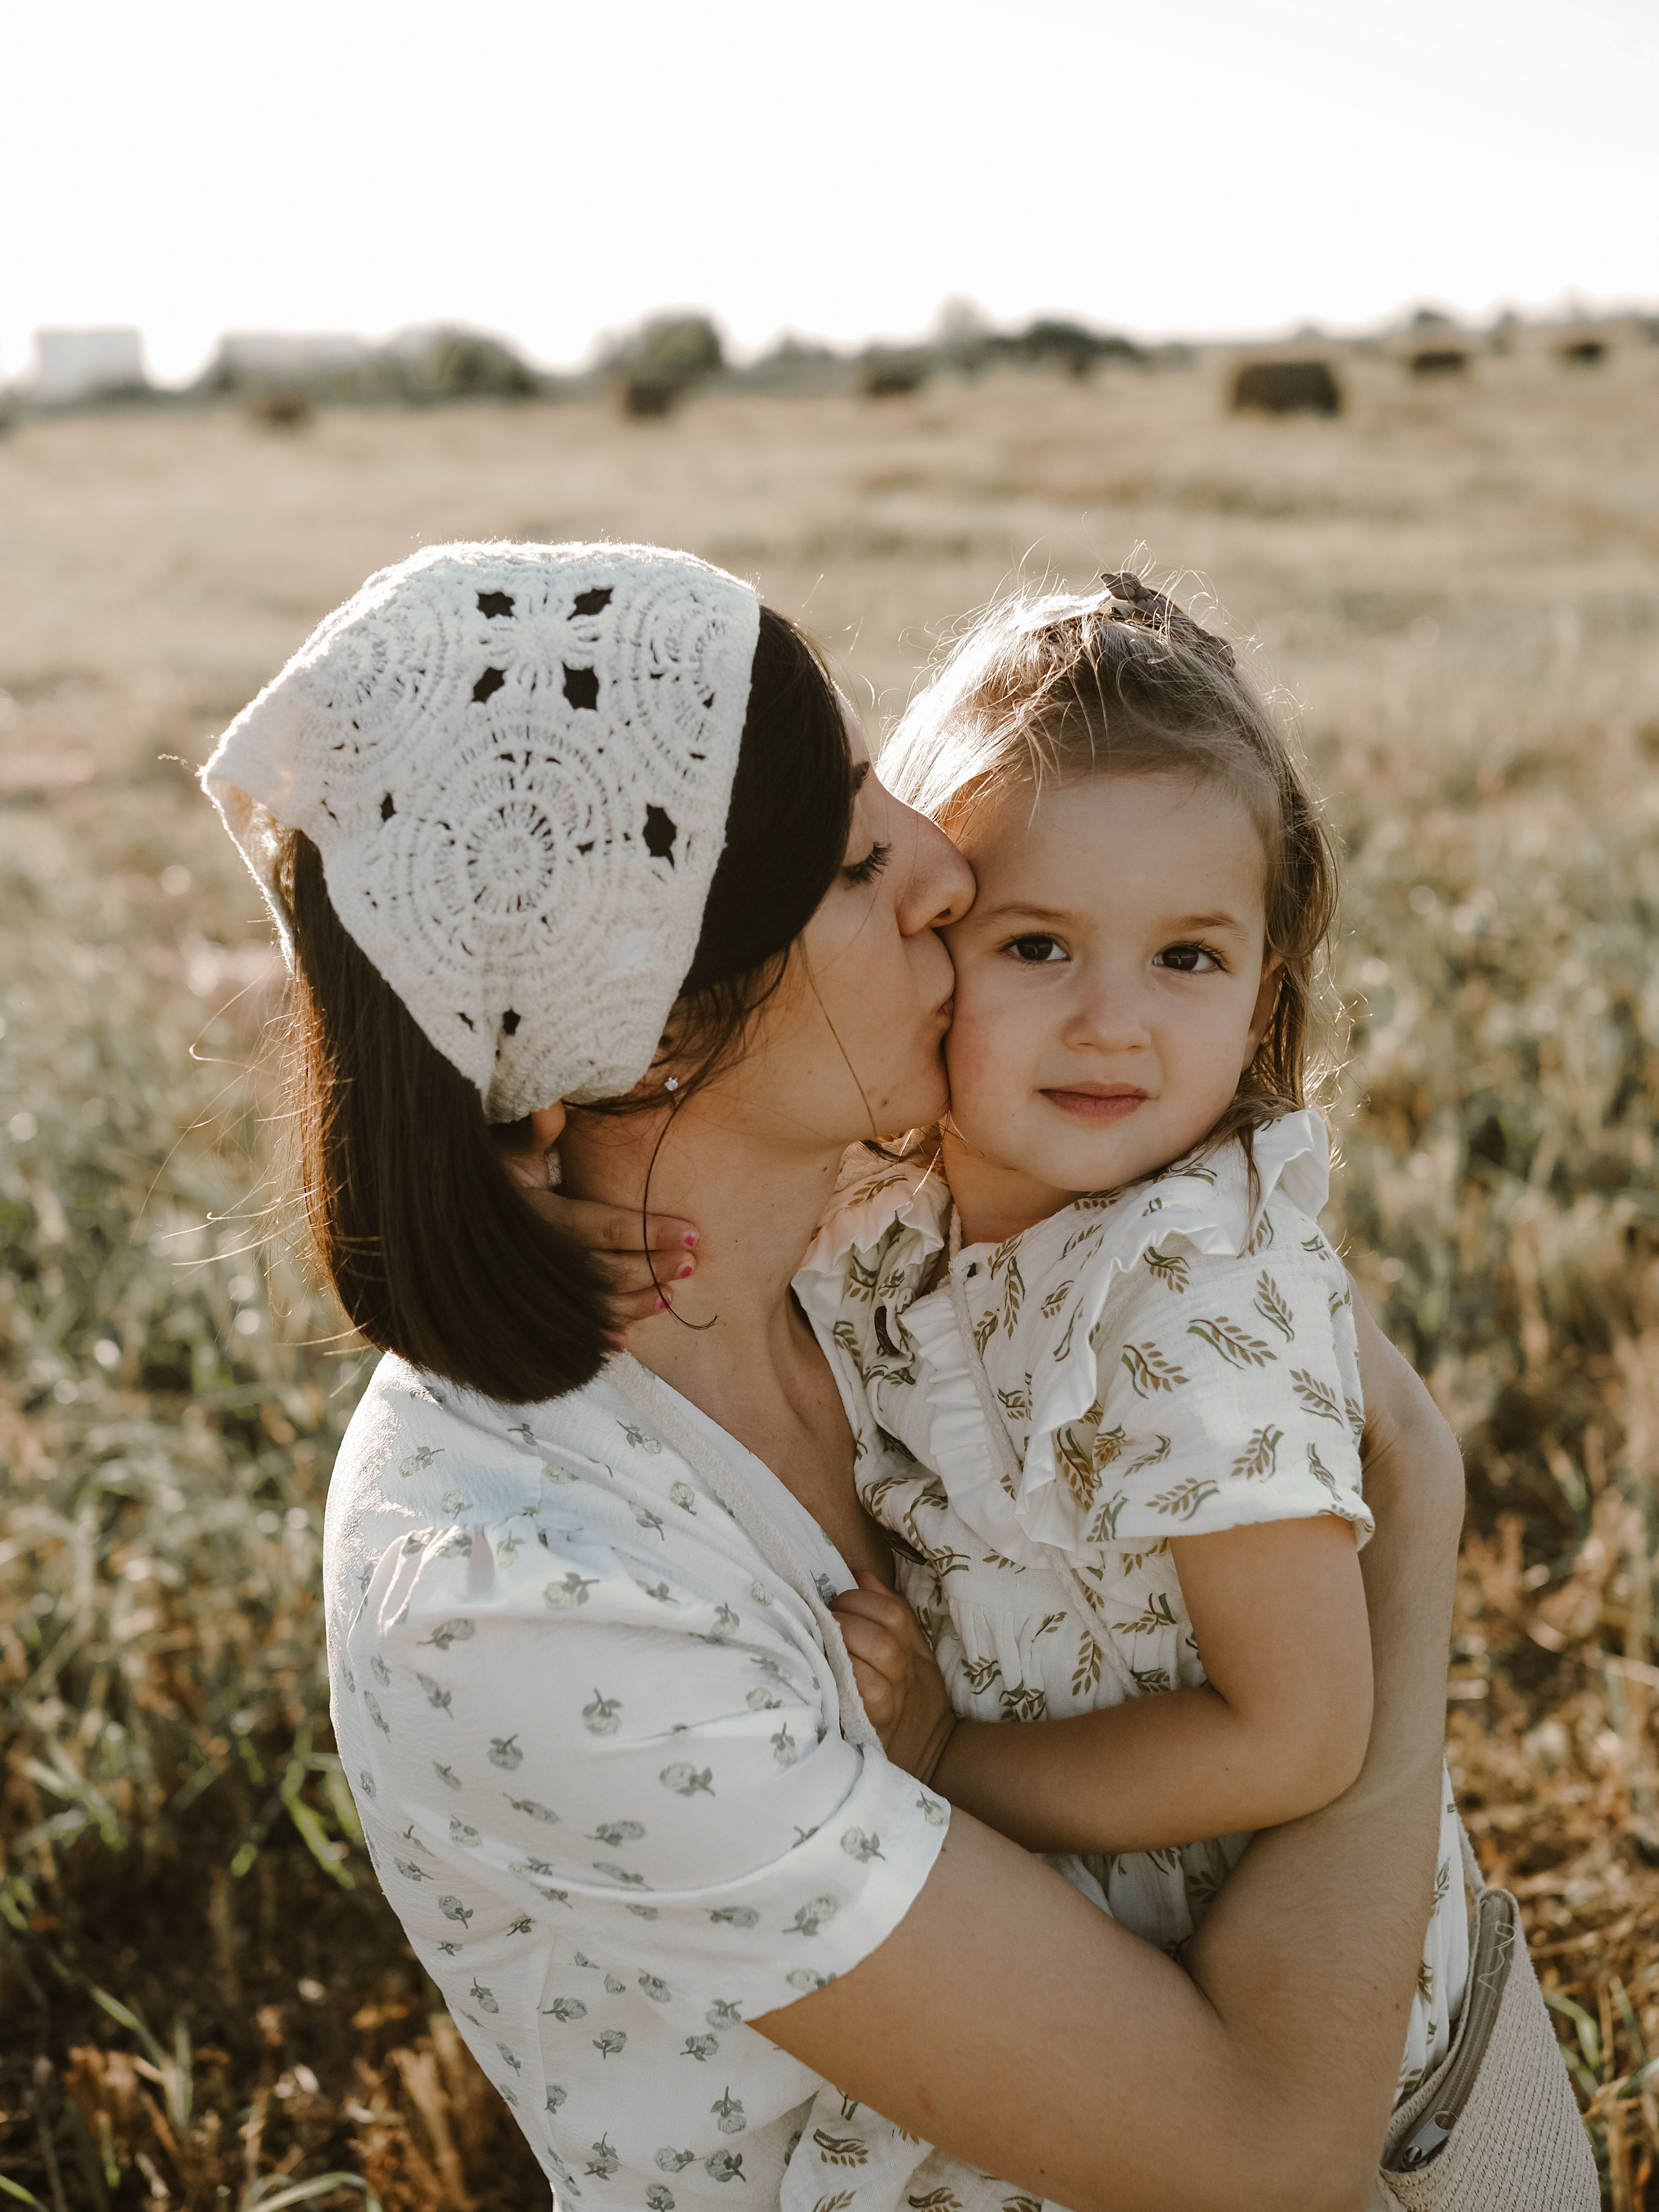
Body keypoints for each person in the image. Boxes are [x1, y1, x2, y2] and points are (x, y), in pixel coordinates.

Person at [202, 539, 1465, 2212]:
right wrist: (1421, 1514)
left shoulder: (865, 1242)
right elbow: (1262, 2150)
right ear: (649, 1022)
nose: (950, 863)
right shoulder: (526, 1586)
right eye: (858, 851)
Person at [787, 581, 1467, 2172]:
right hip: (1075, 1927)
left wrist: (955, 1764)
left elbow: (1298, 1734)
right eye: (1036, 944)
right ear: (924, 944)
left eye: (1185, 957)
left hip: (1265, 1973)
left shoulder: (1185, 1290)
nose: (1111, 1026)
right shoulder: (903, 1210)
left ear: (1264, 982)